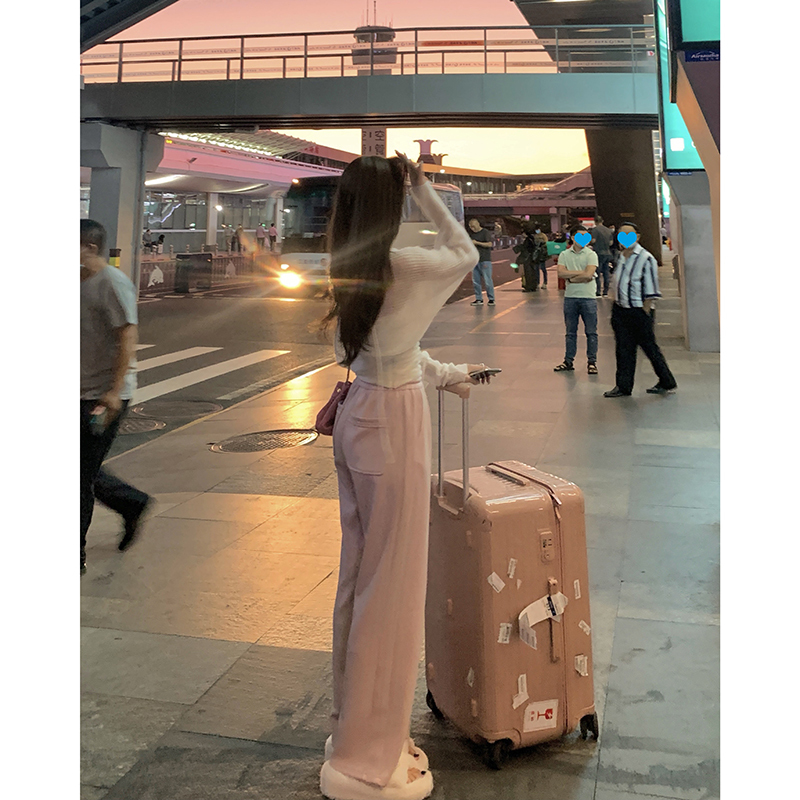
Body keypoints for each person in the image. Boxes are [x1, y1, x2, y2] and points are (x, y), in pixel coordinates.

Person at [318, 152, 489, 800]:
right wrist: (424, 188)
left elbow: (392, 348)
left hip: (357, 414)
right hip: (393, 424)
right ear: (393, 204)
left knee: (359, 581)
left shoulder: (348, 263)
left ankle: (351, 730)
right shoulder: (407, 263)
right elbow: (465, 251)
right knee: (392, 591)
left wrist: (447, 374)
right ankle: (372, 755)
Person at [80, 219, 152, 574]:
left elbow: (127, 337)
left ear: (90, 247)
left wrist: (112, 391)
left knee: (77, 476)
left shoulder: (112, 283)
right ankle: (131, 502)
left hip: (103, 395)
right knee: (81, 469)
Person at [604, 222, 678, 397]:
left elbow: (651, 289)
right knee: (623, 349)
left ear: (637, 237)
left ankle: (667, 381)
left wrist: (644, 312)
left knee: (649, 348)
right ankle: (623, 386)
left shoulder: (646, 258)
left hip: (638, 311)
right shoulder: (621, 257)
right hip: (621, 310)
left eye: (629, 235)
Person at [553, 223, 599, 375]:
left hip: (588, 297)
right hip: (570, 298)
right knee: (570, 332)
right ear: (573, 237)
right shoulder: (564, 254)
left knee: (591, 332)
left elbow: (589, 274)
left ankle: (592, 362)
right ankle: (568, 361)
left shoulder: (591, 254)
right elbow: (561, 273)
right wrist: (582, 274)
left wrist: (571, 277)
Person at [467, 218, 495, 306]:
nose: (472, 228)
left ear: (478, 224)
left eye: (473, 226)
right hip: (475, 260)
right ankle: (479, 299)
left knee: (487, 280)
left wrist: (477, 243)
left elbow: (489, 244)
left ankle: (491, 299)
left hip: (484, 259)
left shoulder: (485, 232)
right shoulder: (471, 234)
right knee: (476, 281)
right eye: (470, 227)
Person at [590, 215, 613, 297]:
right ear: (602, 221)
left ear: (595, 222)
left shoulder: (595, 230)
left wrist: (590, 243)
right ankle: (606, 291)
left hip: (598, 253)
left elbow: (593, 240)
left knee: (597, 273)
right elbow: (611, 243)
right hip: (607, 253)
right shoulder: (609, 230)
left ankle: (598, 291)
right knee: (606, 272)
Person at [513, 226, 539, 292]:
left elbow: (525, 248)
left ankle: (528, 287)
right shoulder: (532, 238)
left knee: (528, 273)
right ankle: (533, 286)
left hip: (528, 258)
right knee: (532, 273)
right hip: (532, 258)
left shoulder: (527, 240)